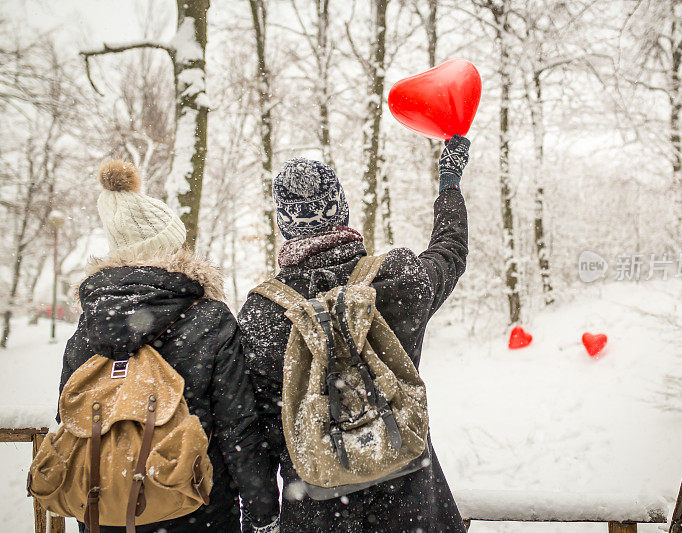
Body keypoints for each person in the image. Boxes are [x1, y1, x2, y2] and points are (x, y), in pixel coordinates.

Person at [238, 135, 471, 532]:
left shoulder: (262, 314)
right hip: (411, 500)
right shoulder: (397, 279)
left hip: (315, 509)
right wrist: (449, 182)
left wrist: (263, 520)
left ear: (285, 226)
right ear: (341, 210)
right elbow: (450, 251)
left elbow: (253, 435)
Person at [59, 161, 279, 533]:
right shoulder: (209, 318)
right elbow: (238, 428)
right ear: (171, 247)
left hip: (108, 510)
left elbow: (69, 416)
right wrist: (262, 513)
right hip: (196, 508)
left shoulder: (90, 323)